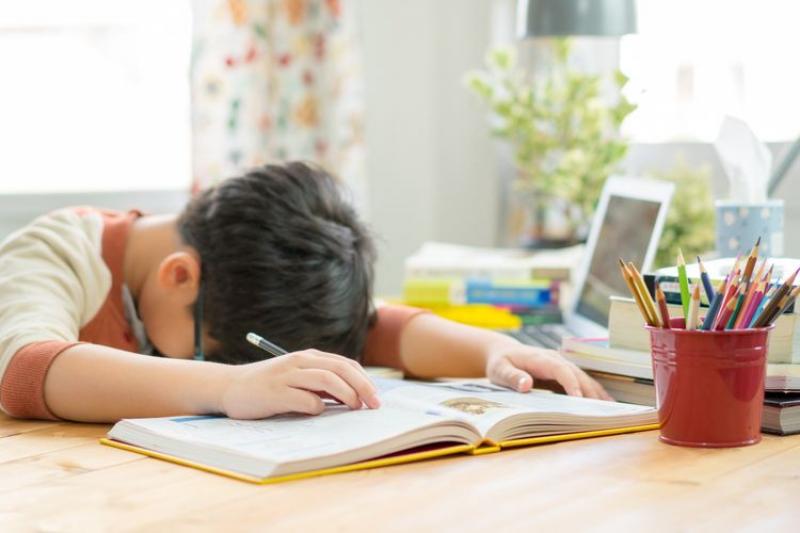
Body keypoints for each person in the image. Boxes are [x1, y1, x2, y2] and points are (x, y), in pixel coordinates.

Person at [0, 162, 609, 423]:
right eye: (216, 353)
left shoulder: (215, 282)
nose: (227, 369)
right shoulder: (57, 252)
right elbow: (25, 370)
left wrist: (488, 353)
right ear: (179, 276)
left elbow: (375, 329)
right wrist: (230, 385)